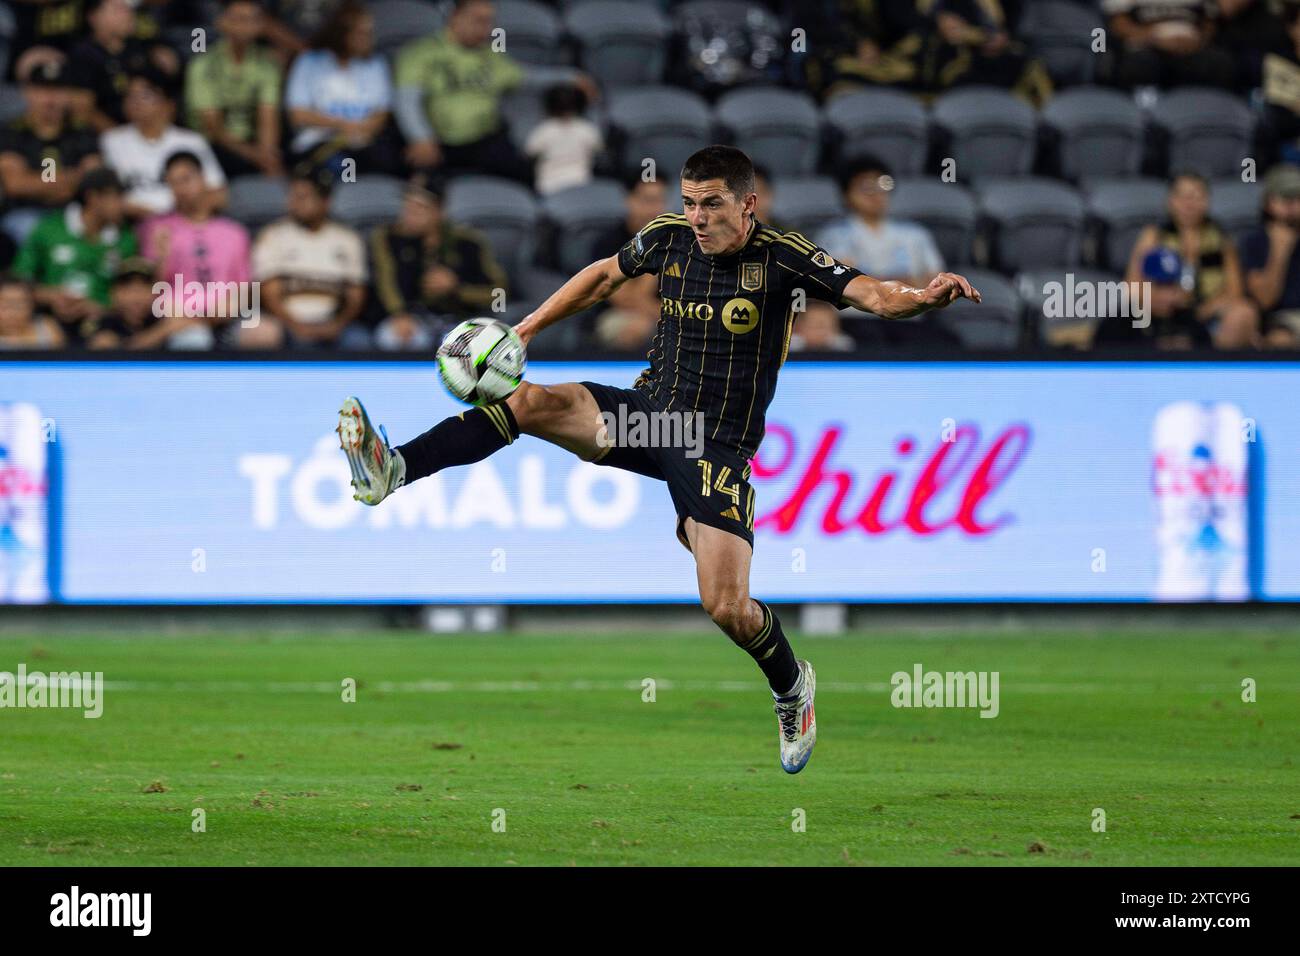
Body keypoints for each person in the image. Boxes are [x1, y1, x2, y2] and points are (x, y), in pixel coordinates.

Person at [335, 145, 981, 774]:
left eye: (711, 205)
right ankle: (392, 467)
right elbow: (602, 278)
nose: (697, 217)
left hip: (714, 445)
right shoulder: (669, 237)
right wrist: (526, 328)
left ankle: (791, 686)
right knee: (528, 403)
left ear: (748, 203)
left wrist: (922, 298)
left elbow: (870, 292)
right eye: (690, 202)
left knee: (727, 606)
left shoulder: (784, 258)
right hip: (649, 414)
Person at [366, 174, 509, 350]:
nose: (409, 215)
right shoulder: (387, 238)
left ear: (439, 211)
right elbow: (385, 281)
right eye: (407, 206)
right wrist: (399, 313)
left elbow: (499, 293)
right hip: (411, 319)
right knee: (395, 338)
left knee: (475, 346)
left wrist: (456, 288)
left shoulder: (468, 242)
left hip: (459, 320)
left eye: (419, 208)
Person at [395, 0, 529, 182]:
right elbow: (407, 101)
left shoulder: (490, 55)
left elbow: (524, 76)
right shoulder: (422, 52)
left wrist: (569, 77)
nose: (488, 30)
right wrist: (420, 137)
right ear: (455, 18)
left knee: (522, 173)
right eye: (480, 21)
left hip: (486, 141)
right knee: (417, 179)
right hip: (437, 144)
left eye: (490, 22)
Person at [1124, 172, 1260, 349]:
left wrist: (1201, 311)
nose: (1189, 204)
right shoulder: (1154, 236)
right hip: (1162, 315)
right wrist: (1160, 300)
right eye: (1182, 197)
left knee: (1245, 313)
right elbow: (1132, 286)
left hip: (1207, 317)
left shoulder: (1221, 239)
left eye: (1196, 196)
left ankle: (1213, 367)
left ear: (1207, 201)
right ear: (1170, 201)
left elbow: (1234, 291)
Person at [11, 166, 136, 345]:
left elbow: (134, 293)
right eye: (116, 197)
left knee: (107, 342)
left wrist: (100, 308)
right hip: (49, 317)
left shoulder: (126, 239)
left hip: (104, 322)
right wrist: (51, 296)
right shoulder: (49, 229)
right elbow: (19, 281)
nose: (122, 205)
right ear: (93, 197)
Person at [139, 151, 252, 347]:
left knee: (263, 333)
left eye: (186, 179)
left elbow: (244, 286)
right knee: (193, 338)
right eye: (173, 183)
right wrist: (162, 257)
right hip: (176, 316)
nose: (181, 189)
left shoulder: (234, 232)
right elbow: (152, 289)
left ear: (203, 179)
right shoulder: (157, 228)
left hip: (227, 314)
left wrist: (222, 311)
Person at [248, 164, 366, 349]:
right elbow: (269, 293)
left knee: (358, 341)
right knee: (269, 333)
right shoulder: (273, 235)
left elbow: (355, 295)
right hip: (286, 322)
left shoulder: (347, 239)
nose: (294, 203)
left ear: (325, 202)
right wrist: (296, 326)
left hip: (334, 322)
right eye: (292, 196)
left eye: (303, 197)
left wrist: (337, 324)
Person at [284, 0, 396, 176]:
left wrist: (360, 130)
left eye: (369, 32)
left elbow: (381, 114)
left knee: (386, 163)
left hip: (364, 144)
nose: (368, 39)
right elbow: (299, 114)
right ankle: (346, 199)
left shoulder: (375, 65)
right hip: (319, 143)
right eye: (361, 33)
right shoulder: (310, 61)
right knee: (345, 168)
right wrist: (344, 125)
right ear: (342, 33)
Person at [100, 69, 228, 219]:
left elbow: (219, 194)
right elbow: (108, 198)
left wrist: (181, 219)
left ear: (168, 103)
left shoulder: (192, 141)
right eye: (130, 96)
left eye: (145, 96)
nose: (136, 102)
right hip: (133, 225)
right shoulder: (112, 141)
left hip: (186, 224)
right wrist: (158, 218)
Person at [0, 58, 101, 246]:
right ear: (28, 93)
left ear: (69, 94)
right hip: (26, 213)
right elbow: (15, 184)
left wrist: (38, 183)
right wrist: (68, 180)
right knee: (30, 230)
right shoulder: (11, 132)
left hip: (73, 213)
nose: (51, 99)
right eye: (43, 90)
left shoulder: (82, 132)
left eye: (58, 90)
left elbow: (93, 179)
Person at [185, 0, 284, 179]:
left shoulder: (268, 64)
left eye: (252, 19)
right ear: (221, 22)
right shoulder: (203, 64)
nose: (245, 26)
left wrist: (268, 155)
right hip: (211, 144)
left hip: (252, 143)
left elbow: (268, 117)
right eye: (239, 19)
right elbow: (213, 126)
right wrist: (254, 155)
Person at [817, 155, 945, 291]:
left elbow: (936, 279)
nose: (876, 194)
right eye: (866, 186)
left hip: (910, 309)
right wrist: (903, 283)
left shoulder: (915, 233)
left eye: (883, 184)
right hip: (853, 311)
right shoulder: (834, 235)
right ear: (847, 195)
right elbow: (843, 282)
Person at [66, 0, 180, 133]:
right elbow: (84, 110)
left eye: (129, 9)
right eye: (119, 9)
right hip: (105, 137)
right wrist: (120, 138)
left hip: (150, 132)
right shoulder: (83, 54)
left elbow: (164, 98)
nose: (128, 14)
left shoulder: (143, 48)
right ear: (93, 17)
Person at [1099, 0, 1236, 90]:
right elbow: (1119, 25)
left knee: (1219, 63)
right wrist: (1156, 39)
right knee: (1140, 64)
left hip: (1191, 46)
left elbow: (1210, 22)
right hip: (1147, 45)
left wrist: (1199, 41)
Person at [1093, 247, 1213, 349]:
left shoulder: (1190, 323)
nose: (1167, 295)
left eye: (1171, 286)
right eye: (1159, 286)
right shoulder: (1118, 324)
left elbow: (1210, 365)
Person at [81, 255, 211, 349]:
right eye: (129, 289)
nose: (136, 297)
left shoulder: (161, 318)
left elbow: (192, 322)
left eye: (143, 289)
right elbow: (104, 346)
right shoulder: (104, 322)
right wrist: (161, 332)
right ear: (114, 294)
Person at [1242, 163, 1300, 348]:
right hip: (1278, 321)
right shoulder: (1255, 242)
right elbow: (1265, 300)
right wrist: (1279, 252)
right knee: (1280, 340)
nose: (1292, 205)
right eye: (1285, 198)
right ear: (1269, 202)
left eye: (1297, 198)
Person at [523, 83, 603, 196]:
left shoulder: (543, 130)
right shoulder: (587, 129)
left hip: (549, 186)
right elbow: (599, 150)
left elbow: (528, 153)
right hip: (580, 184)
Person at [0, 273, 64, 349]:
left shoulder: (47, 330)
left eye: (19, 305)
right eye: (5, 306)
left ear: (31, 306)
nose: (12, 313)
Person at [789, 299, 856, 352]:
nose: (823, 332)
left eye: (830, 326)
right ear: (798, 327)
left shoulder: (846, 348)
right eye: (817, 326)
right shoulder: (785, 348)